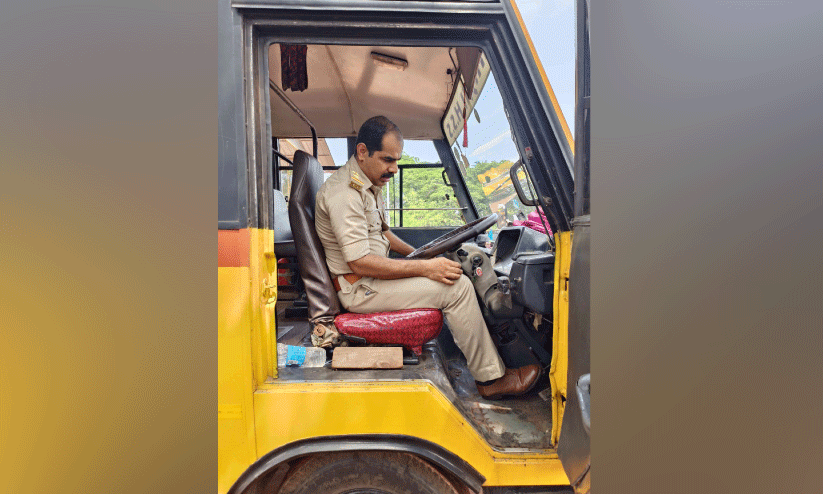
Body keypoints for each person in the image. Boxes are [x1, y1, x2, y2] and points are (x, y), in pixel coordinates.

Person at [315, 116, 541, 400]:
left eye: (396, 161)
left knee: (452, 269)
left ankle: (492, 362)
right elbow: (359, 262)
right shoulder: (344, 193)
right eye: (388, 160)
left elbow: (383, 234)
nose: (394, 169)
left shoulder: (370, 183)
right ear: (362, 152)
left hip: (372, 279)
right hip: (360, 288)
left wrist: (418, 255)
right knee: (456, 289)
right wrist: (424, 267)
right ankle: (490, 379)